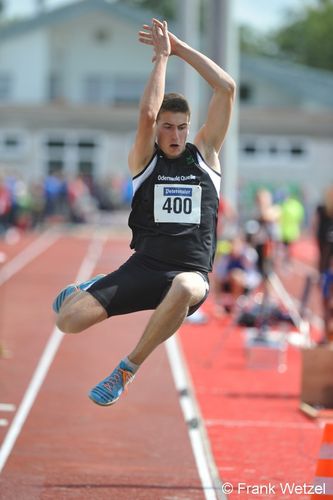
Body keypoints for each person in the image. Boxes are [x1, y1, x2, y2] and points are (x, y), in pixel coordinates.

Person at [52, 18, 236, 406]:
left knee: (185, 286)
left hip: (191, 273)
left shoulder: (206, 156)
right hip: (144, 267)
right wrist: (161, 59)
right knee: (67, 321)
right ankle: (87, 289)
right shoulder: (145, 161)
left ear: (189, 128)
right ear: (158, 130)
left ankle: (126, 369)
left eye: (181, 128)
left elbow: (226, 87)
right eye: (167, 127)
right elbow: (146, 115)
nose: (174, 135)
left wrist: (179, 48)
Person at [313, 185, 333, 344]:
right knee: (325, 302)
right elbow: (317, 237)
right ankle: (326, 336)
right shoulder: (322, 212)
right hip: (325, 265)